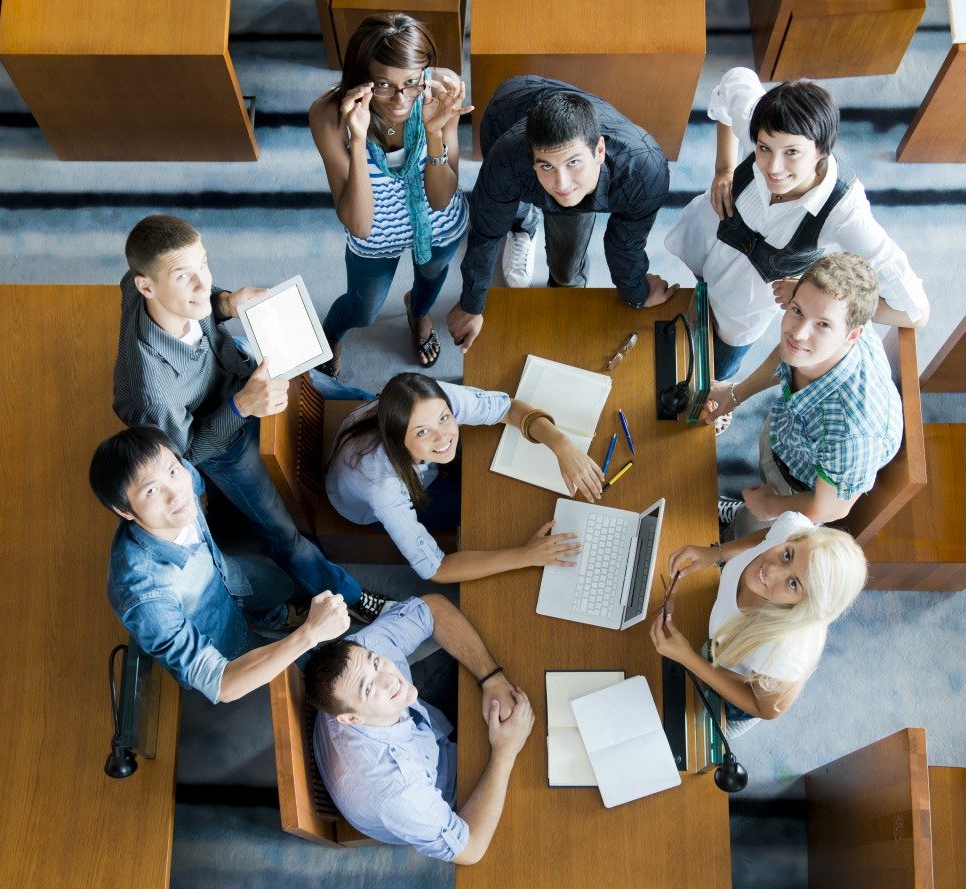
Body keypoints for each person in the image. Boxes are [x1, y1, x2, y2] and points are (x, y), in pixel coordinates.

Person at [113, 214, 392, 623]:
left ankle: (389, 412)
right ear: (146, 286)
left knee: (320, 383)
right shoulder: (152, 391)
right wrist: (243, 406)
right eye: (183, 276)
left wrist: (224, 303)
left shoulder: (142, 282)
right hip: (216, 438)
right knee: (280, 529)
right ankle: (350, 595)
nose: (202, 282)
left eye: (203, 263)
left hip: (230, 366)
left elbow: (202, 295)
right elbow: (186, 453)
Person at [666, 67, 929, 386]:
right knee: (689, 303)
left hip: (744, 304)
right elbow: (736, 79)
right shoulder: (759, 120)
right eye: (763, 148)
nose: (773, 168)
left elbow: (915, 311)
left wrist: (811, 297)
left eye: (791, 153)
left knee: (713, 369)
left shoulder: (844, 212)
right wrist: (723, 168)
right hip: (707, 242)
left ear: (821, 149)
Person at [88, 426, 351, 704]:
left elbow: (194, 484)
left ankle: (275, 617)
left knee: (280, 586)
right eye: (151, 490)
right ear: (124, 510)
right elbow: (221, 683)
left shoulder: (183, 476)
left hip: (228, 574)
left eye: (174, 472)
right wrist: (308, 635)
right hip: (218, 634)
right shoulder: (144, 597)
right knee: (302, 672)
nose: (176, 494)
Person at [446, 75, 676, 355]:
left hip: (591, 166)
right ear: (532, 160)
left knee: (567, 266)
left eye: (574, 162)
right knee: (506, 206)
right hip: (506, 112)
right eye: (546, 166)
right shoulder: (506, 160)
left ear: (599, 150)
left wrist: (637, 291)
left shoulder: (645, 171)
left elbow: (625, 243)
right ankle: (523, 226)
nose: (562, 183)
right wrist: (472, 305)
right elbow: (487, 231)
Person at [304, 595, 534, 863]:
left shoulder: (360, 656)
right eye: (368, 688)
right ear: (351, 719)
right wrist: (504, 752)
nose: (391, 679)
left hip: (425, 731)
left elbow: (432, 608)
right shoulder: (399, 793)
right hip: (439, 791)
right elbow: (470, 850)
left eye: (377, 663)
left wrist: (491, 678)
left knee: (517, 657)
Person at [308, 12, 471, 376]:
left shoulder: (442, 87)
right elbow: (360, 225)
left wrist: (434, 132)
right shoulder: (329, 115)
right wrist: (359, 138)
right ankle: (331, 333)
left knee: (430, 281)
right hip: (376, 235)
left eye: (412, 82)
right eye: (382, 85)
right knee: (362, 310)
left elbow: (442, 199)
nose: (400, 100)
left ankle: (418, 311)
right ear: (360, 78)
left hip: (437, 226)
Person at [325, 372, 600, 581]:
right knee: (482, 505)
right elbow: (436, 569)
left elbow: (509, 409)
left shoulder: (433, 399)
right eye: (422, 431)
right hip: (365, 506)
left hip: (414, 462)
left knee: (483, 468)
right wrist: (526, 555)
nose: (444, 437)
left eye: (444, 418)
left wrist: (562, 445)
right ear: (399, 439)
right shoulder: (383, 488)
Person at [705, 252, 903, 538]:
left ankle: (738, 528)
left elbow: (831, 508)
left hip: (801, 488)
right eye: (796, 310)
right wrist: (737, 394)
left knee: (746, 535)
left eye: (822, 324)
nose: (798, 333)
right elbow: (791, 353)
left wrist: (773, 505)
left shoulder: (852, 432)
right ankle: (742, 511)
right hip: (788, 434)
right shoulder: (834, 314)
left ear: (852, 335)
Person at [651, 512, 866, 737]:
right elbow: (771, 535)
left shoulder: (786, 652)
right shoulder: (792, 530)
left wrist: (688, 658)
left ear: (804, 606)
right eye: (787, 555)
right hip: (718, 647)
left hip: (738, 697)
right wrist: (715, 553)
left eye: (793, 584)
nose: (771, 571)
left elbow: (766, 708)